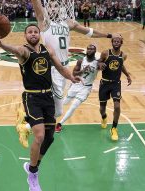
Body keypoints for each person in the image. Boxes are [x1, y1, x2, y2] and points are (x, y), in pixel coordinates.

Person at [0, 24, 81, 191]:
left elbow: (60, 67)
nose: (33, 34)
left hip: (47, 97)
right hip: (32, 98)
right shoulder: (24, 51)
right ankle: (33, 174)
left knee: (50, 138)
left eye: (35, 31)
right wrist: (0, 44)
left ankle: (33, 165)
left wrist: (71, 77)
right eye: (29, 32)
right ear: (25, 35)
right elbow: (15, 50)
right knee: (39, 136)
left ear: (39, 34)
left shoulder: (47, 50)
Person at [16, 0, 114, 148]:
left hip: (65, 69)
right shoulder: (44, 23)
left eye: (56, 5)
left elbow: (91, 33)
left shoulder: (69, 23)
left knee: (58, 111)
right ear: (47, 8)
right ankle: (26, 126)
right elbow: (37, 6)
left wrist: (109, 35)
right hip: (53, 69)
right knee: (57, 110)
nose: (54, 8)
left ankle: (26, 117)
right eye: (50, 5)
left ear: (62, 7)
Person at [55, 44, 100, 132]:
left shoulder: (98, 63)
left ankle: (60, 124)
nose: (90, 50)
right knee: (63, 103)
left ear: (95, 51)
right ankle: (47, 118)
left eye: (92, 49)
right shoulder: (81, 61)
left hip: (86, 88)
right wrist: (83, 71)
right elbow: (74, 74)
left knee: (73, 106)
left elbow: (104, 65)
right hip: (76, 84)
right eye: (88, 49)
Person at [98, 35, 132, 141]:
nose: (116, 42)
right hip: (104, 83)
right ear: (112, 42)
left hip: (116, 84)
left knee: (117, 106)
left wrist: (127, 75)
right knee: (102, 109)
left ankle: (113, 128)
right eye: (114, 41)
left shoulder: (123, 55)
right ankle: (104, 117)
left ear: (121, 43)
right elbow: (98, 62)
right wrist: (100, 64)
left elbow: (121, 66)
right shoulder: (105, 53)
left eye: (118, 41)